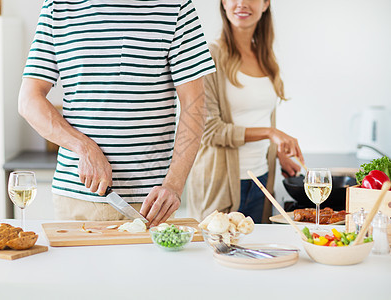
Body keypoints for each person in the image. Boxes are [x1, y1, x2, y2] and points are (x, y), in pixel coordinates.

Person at [18, 0, 215, 226]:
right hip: (77, 200)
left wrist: (174, 184)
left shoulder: (176, 6)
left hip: (151, 204)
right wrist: (84, 147)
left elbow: (195, 105)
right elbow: (29, 100)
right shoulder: (58, 6)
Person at [187, 0, 304, 223]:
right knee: (219, 253)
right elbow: (209, 130)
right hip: (220, 184)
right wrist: (270, 133)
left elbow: (257, 116)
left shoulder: (267, 59)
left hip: (262, 179)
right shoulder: (209, 56)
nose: (241, 3)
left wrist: (278, 152)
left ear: (265, 3)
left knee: (257, 253)